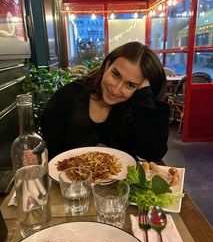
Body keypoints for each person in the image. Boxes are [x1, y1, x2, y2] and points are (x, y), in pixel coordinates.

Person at [41, 42, 170, 162]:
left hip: (121, 185)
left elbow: (153, 153)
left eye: (130, 85)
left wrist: (144, 97)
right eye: (115, 74)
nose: (116, 89)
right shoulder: (67, 96)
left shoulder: (136, 105)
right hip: (70, 182)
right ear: (107, 65)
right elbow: (51, 153)